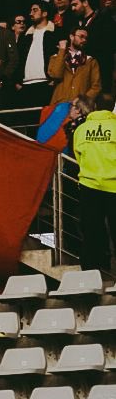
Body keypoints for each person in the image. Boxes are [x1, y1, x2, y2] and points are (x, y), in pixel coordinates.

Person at [72, 95, 116, 272]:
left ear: (95, 106)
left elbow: (78, 156)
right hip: (114, 187)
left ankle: (93, 272)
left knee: (91, 233)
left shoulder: (81, 129)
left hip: (89, 187)